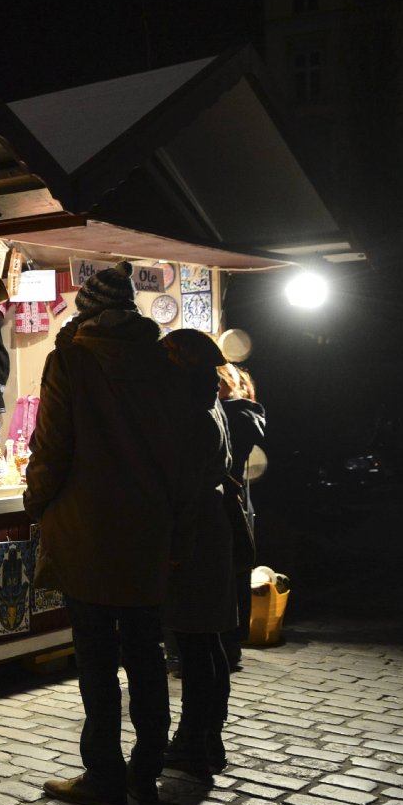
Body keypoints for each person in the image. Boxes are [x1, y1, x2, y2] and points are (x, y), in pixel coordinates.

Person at [24, 260, 196, 805]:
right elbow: (181, 457)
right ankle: (145, 772)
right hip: (147, 533)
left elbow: (51, 449)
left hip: (87, 533)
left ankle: (103, 775)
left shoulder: (70, 362)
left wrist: (36, 501)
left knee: (96, 660)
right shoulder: (166, 364)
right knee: (146, 654)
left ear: (88, 312)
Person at [161, 330, 235, 780]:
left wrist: (174, 548)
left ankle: (194, 737)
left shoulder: (191, 414)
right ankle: (209, 736)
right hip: (211, 525)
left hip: (196, 531)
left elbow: (184, 487)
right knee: (206, 639)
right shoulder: (212, 405)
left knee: (193, 640)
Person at [218, 363, 266, 666]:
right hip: (236, 500)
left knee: (227, 574)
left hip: (225, 500)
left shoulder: (233, 415)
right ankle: (232, 644)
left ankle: (228, 644)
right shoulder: (246, 413)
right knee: (235, 571)